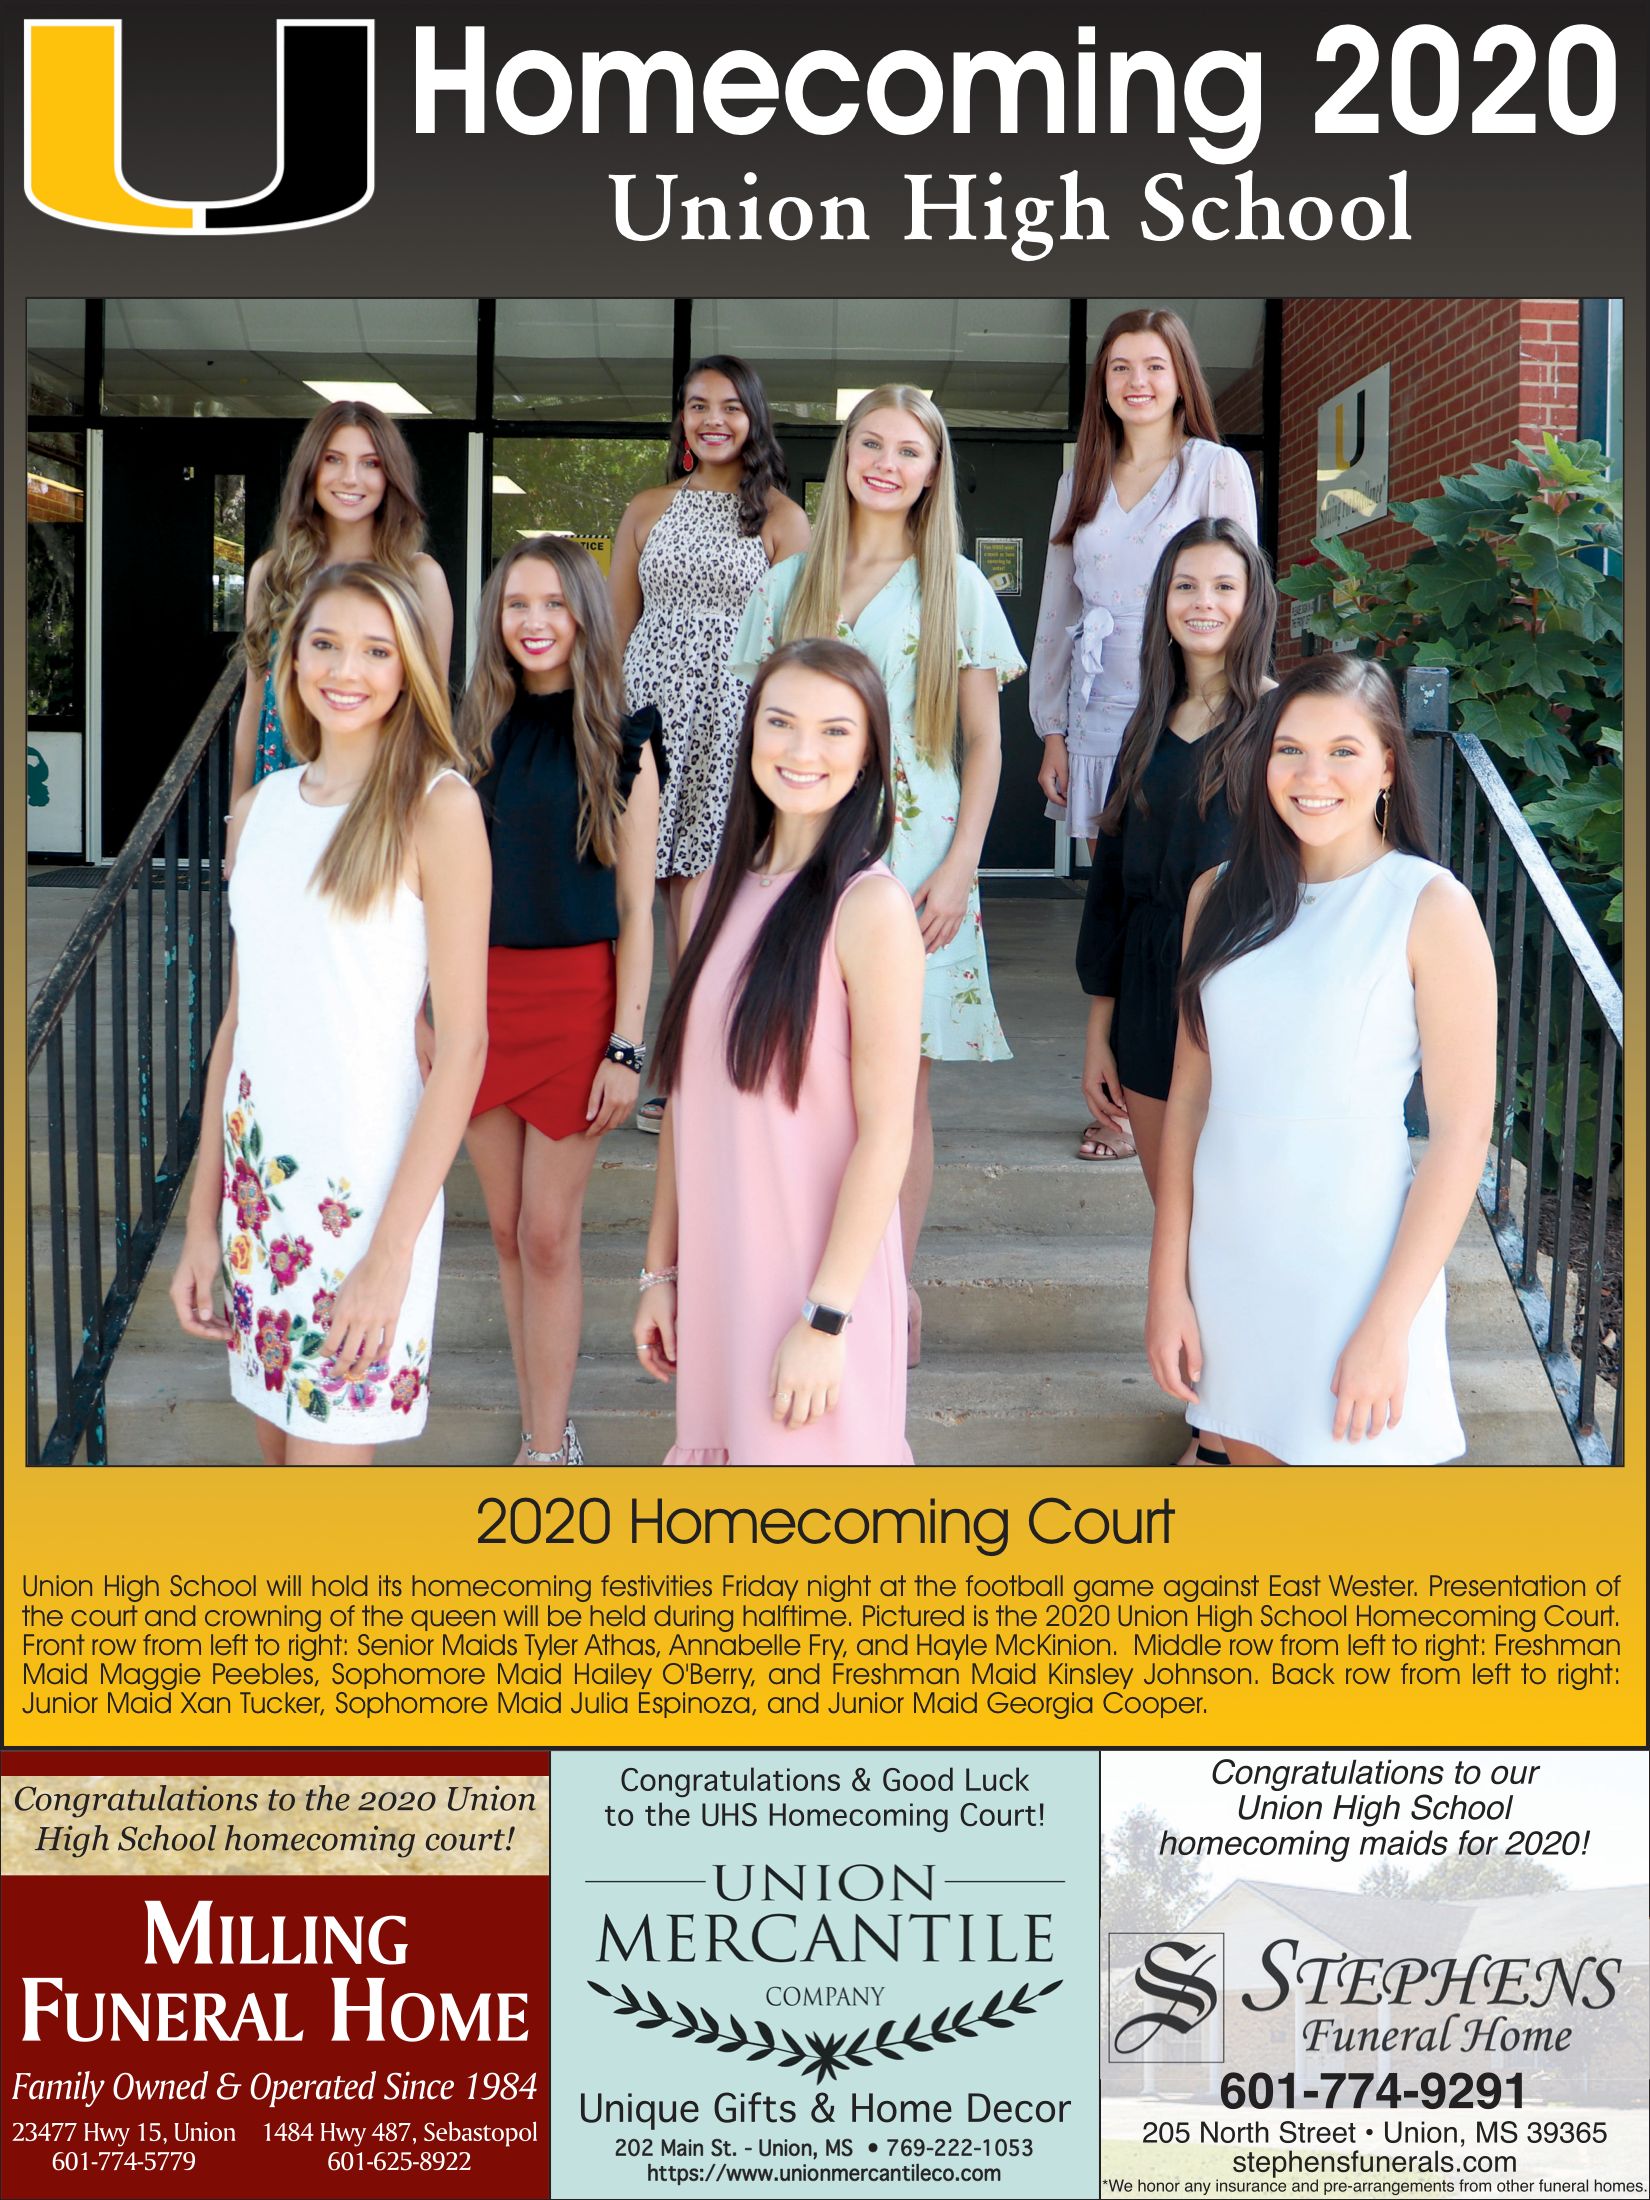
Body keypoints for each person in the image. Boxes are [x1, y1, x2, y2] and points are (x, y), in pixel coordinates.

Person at [731, 385, 1024, 1365]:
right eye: (872, 444)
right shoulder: (788, 585)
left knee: (899, 1098)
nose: (887, 464)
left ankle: (885, 1292)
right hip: (803, 863)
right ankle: (802, 1276)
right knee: (804, 1081)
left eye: (909, 450)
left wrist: (961, 866)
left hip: (919, 868)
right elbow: (757, 741)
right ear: (846, 455)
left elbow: (985, 745)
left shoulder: (959, 589)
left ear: (933, 472)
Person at [171, 563, 489, 1461]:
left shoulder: (439, 807)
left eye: (376, 650)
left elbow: (465, 1048)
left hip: (366, 1207)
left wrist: (390, 1256)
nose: (347, 670)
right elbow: (238, 1027)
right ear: (292, 660)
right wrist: (201, 1223)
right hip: (260, 1198)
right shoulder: (260, 810)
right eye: (325, 644)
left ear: (409, 668)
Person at [1146, 654, 1497, 1465]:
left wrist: (1389, 1326)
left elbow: (1459, 1137)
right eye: (1290, 750)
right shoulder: (1216, 896)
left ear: (1387, 765)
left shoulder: (1429, 904)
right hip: (1231, 1263)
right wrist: (1167, 1284)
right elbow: (1189, 1099)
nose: (1313, 776)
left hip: (1354, 1270)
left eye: (1344, 751)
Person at [633, 639, 924, 1465]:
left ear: (868, 757)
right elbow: (688, 1102)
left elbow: (887, 1136)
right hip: (722, 1280)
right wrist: (660, 1272)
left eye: (835, 731)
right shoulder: (705, 893)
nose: (803, 751)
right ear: (751, 732)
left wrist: (825, 1320)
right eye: (781, 723)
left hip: (816, 1291)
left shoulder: (871, 910)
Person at [449, 538, 663, 1466]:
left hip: (578, 1004)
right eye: (515, 604)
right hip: (477, 1002)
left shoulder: (626, 737)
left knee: (546, 1233)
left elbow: (637, 907)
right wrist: (428, 1010)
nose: (533, 622)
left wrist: (626, 1046)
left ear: (583, 614)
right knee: (505, 1231)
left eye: (552, 604)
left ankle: (547, 1445)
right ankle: (542, 1417)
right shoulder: (464, 736)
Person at [1032, 309, 1258, 1161]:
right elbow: (1057, 608)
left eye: (1155, 365)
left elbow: (1241, 586)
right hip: (1102, 707)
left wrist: (1246, 706)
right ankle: (1125, 1097)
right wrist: (1053, 727)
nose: (1137, 382)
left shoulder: (1215, 468)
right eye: (1120, 367)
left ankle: (1203, 1077)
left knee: (1201, 888)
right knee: (1123, 895)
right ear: (1103, 384)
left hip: (1196, 698)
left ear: (1180, 377)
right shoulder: (1080, 478)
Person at [1078, 520, 1277, 1459]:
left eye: (1224, 586)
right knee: (1182, 1220)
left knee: (1241, 1220)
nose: (1204, 603)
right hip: (1152, 991)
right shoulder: (1142, 726)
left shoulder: (1281, 722)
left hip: (1247, 988)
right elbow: (1112, 889)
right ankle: (1213, 1415)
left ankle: (1241, 1423)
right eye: (1185, 586)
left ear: (1253, 601)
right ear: (1162, 603)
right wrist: (1100, 1027)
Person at [610, 355, 809, 1076]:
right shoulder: (647, 508)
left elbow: (798, 643)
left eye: (730, 406)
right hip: (650, 717)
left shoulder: (783, 518)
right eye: (698, 405)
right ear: (682, 420)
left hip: (733, 719)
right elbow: (615, 631)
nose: (713, 419)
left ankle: (698, 1065)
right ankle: (676, 1060)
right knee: (657, 892)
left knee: (708, 893)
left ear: (754, 418)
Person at [231, 399, 454, 806]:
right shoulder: (273, 574)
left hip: (381, 795)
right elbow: (254, 701)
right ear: (310, 470)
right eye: (333, 459)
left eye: (371, 463)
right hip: (282, 788)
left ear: (390, 476)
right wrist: (238, 814)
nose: (351, 478)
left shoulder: (420, 578)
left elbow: (429, 712)